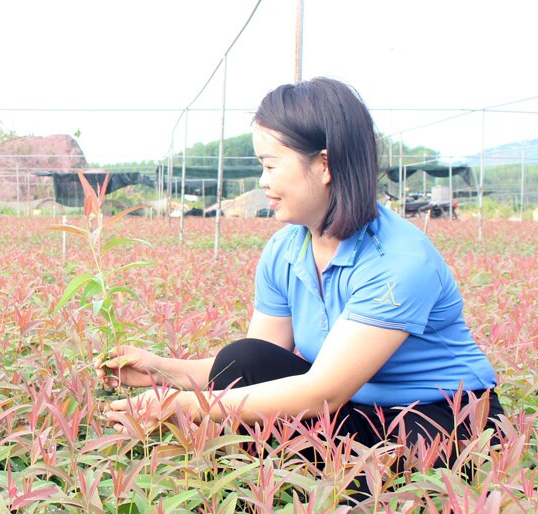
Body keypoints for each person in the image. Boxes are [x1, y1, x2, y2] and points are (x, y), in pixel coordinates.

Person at [102, 78, 504, 467]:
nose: (263, 181)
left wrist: (182, 406)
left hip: (441, 414)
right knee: (245, 359)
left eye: (271, 166)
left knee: (403, 462)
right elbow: (248, 369)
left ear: (324, 164)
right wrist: (160, 370)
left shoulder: (399, 261)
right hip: (357, 410)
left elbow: (321, 393)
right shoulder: (286, 250)